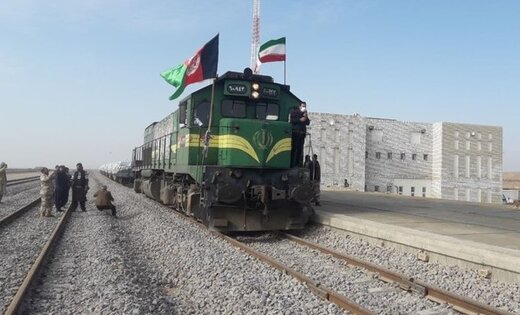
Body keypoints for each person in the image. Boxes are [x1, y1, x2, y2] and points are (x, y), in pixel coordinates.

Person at [289, 102, 310, 167]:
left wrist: (306, 117)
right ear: (299, 106)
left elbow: (308, 123)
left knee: (300, 149)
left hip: (302, 133)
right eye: (303, 106)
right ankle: (292, 163)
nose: (304, 108)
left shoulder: (305, 113)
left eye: (305, 106)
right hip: (295, 132)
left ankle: (298, 163)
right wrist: (300, 120)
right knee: (294, 148)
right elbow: (292, 121)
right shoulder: (294, 112)